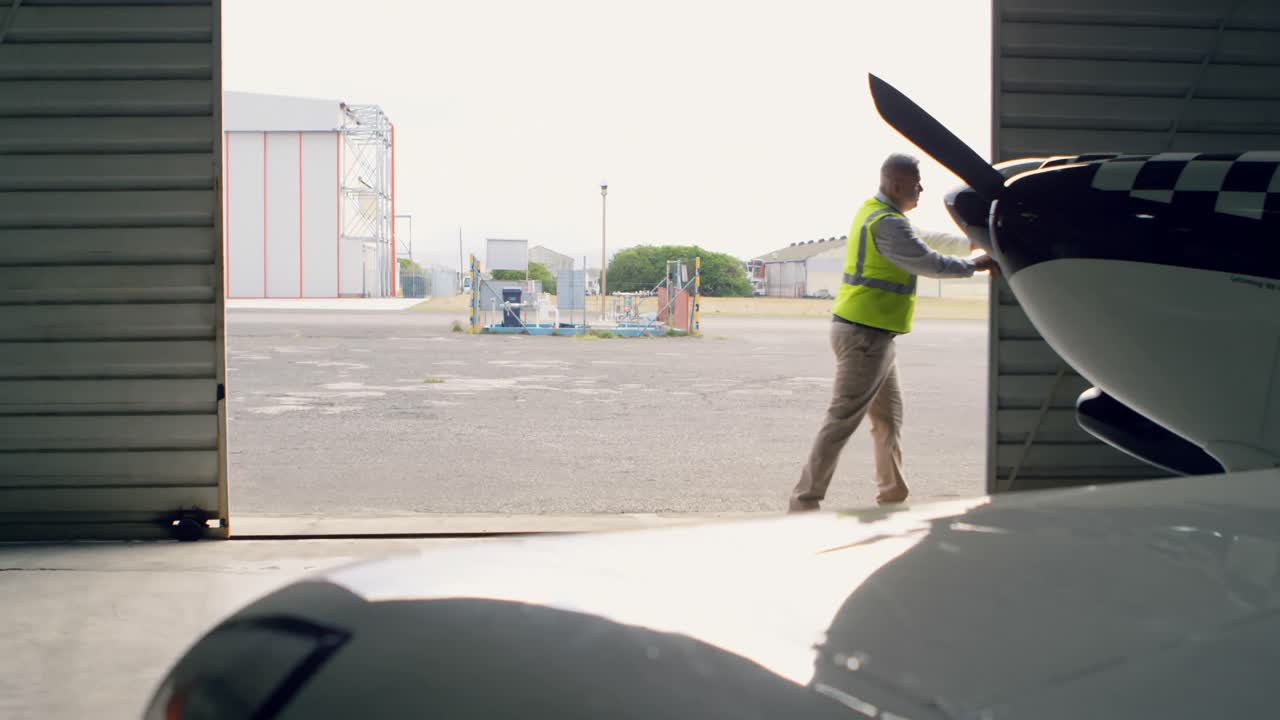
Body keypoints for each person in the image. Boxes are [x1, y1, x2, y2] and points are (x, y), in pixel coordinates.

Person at [789, 153, 997, 511]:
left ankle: (893, 497)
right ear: (897, 185)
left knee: (888, 420)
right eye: (916, 183)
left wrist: (971, 242)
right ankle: (804, 502)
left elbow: (924, 238)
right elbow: (927, 261)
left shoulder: (876, 212)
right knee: (841, 420)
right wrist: (975, 265)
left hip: (874, 336)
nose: (921, 190)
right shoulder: (887, 224)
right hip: (864, 337)